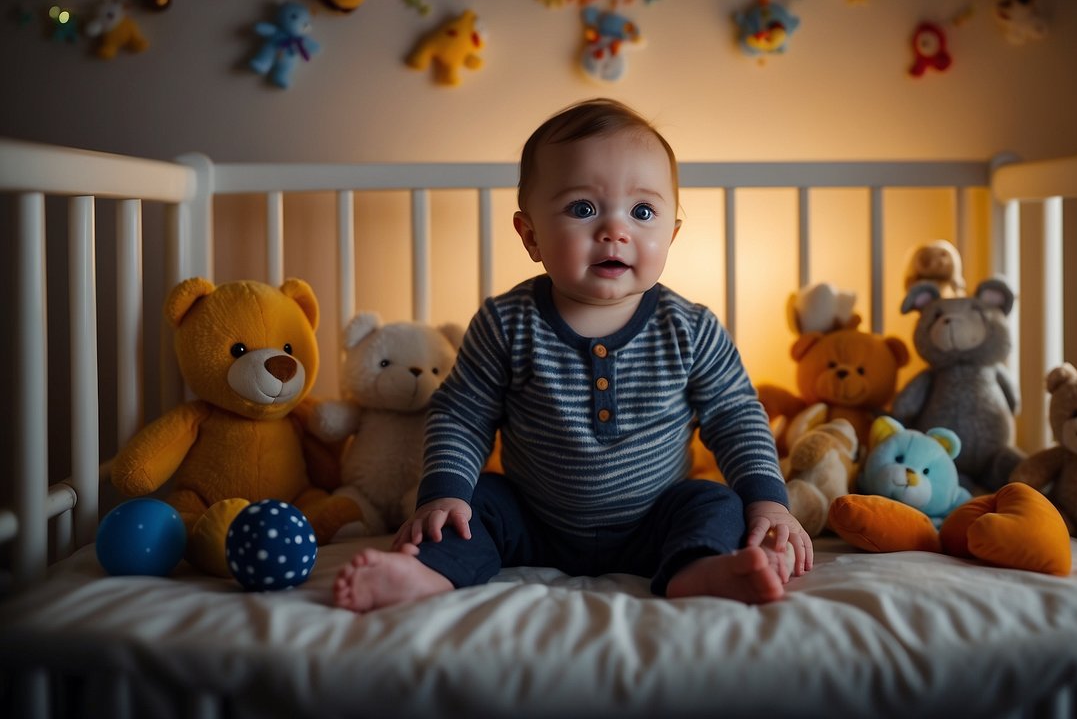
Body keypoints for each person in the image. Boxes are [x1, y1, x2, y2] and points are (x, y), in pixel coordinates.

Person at [333, 98, 812, 612]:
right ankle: (424, 574)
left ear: (671, 234)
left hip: (654, 520)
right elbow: (462, 414)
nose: (614, 229)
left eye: (642, 211)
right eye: (582, 209)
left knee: (716, 502)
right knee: (472, 506)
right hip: (534, 519)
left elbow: (737, 416)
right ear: (531, 234)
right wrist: (442, 493)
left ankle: (699, 569)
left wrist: (769, 501)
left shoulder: (690, 328)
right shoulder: (505, 322)